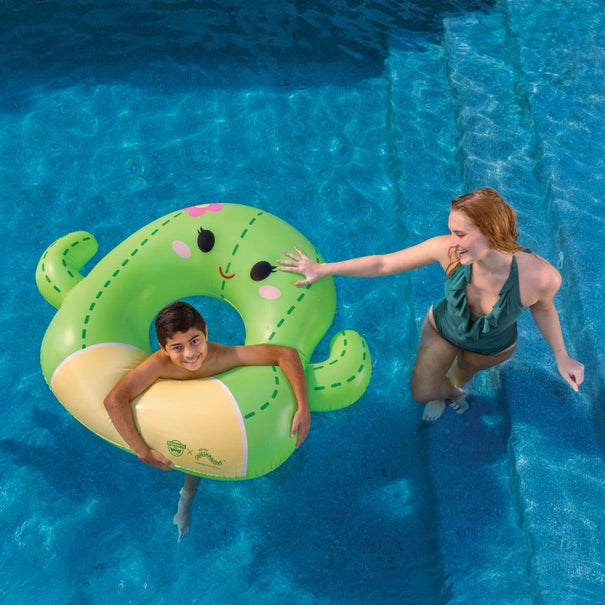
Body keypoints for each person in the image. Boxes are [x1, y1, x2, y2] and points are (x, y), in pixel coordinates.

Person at [278, 187, 584, 422]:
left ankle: (456, 388)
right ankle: (445, 392)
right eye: (451, 231)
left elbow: (544, 308)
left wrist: (562, 357)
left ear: (490, 232)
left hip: (491, 348)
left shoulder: (541, 277)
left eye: (460, 234)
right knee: (422, 391)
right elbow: (384, 263)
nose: (451, 241)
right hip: (442, 329)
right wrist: (323, 269)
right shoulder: (448, 253)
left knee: (461, 375)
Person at [104, 301, 310, 542]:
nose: (190, 354)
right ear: (163, 349)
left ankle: (187, 499)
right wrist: (143, 452)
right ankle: (185, 502)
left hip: (214, 418)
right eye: (177, 347)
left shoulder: (223, 357)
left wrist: (303, 407)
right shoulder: (158, 365)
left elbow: (285, 354)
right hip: (179, 419)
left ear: (207, 334)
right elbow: (114, 400)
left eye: (195, 341)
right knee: (193, 459)